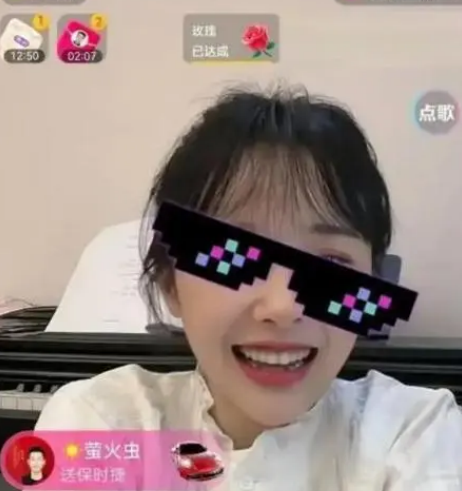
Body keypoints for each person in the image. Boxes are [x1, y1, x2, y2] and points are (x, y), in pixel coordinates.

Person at [34, 84, 462, 489]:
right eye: (232, 258)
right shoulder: (101, 420)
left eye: (330, 263)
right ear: (170, 285)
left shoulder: (416, 432)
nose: (283, 306)